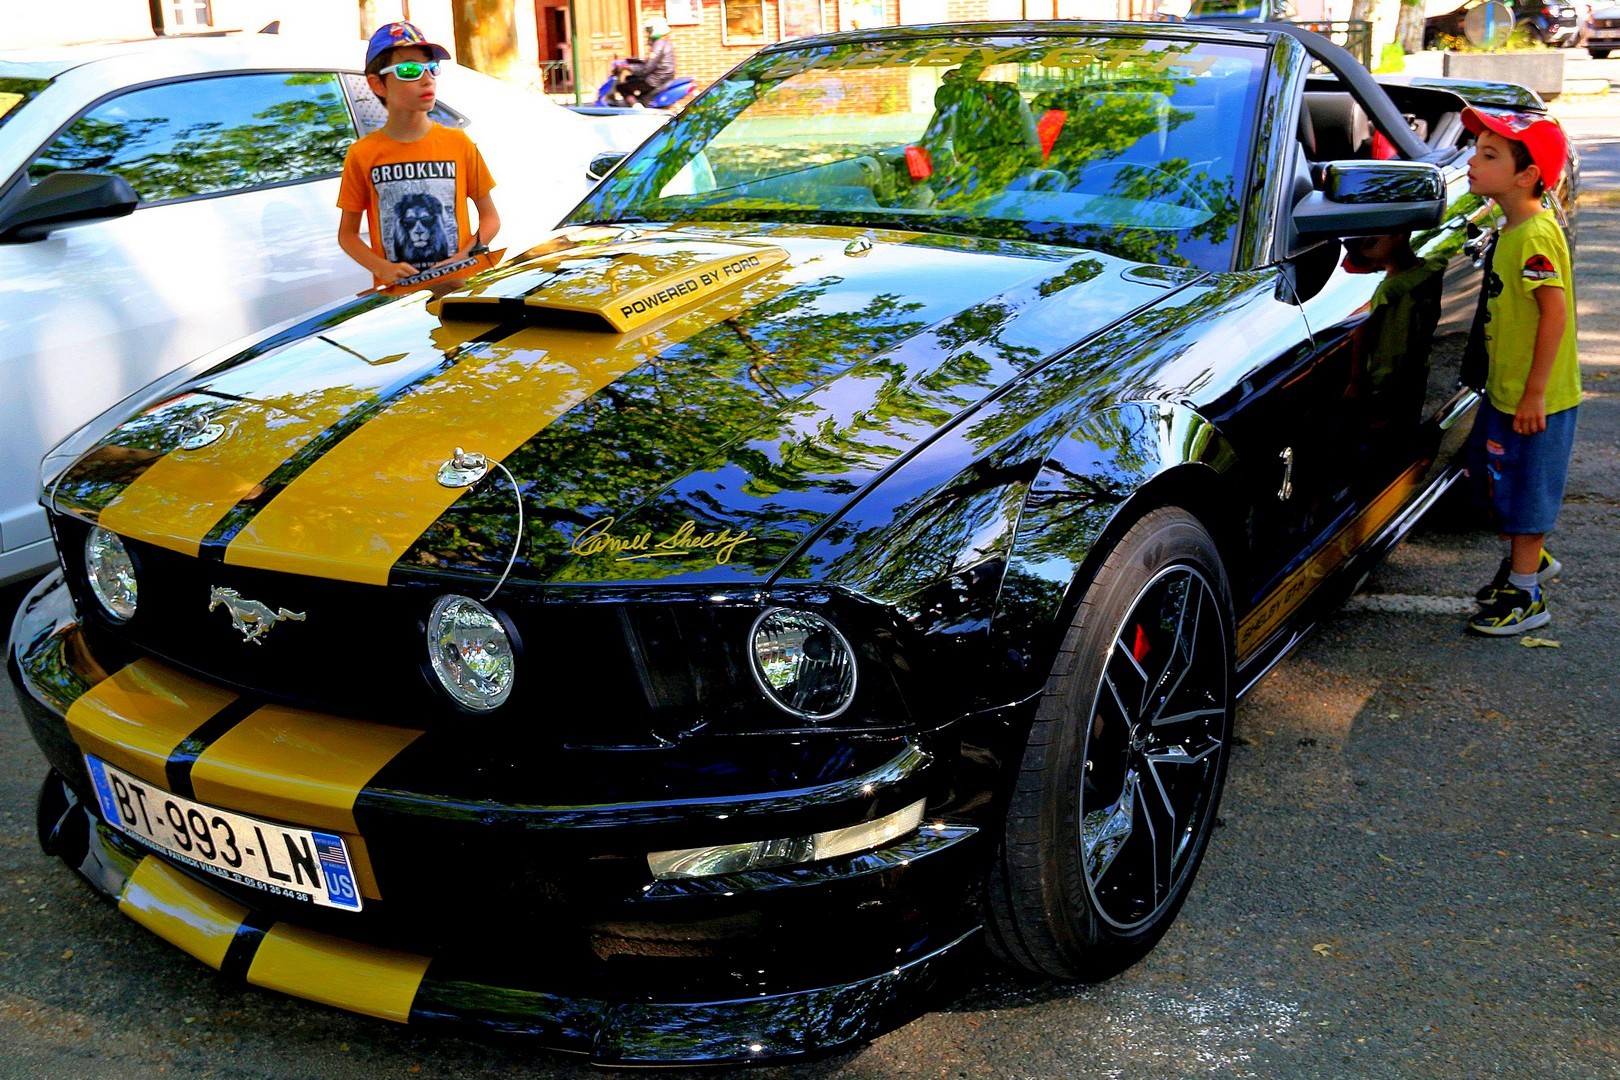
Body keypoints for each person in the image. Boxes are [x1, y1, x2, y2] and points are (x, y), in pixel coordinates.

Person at [1460, 106, 1579, 636]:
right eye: (1476, 151)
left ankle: (1527, 595)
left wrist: (1535, 394)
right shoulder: (1513, 226)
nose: (1473, 162)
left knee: (1528, 497)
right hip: (1507, 390)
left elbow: (1555, 314)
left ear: (1527, 175)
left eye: (1489, 156)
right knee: (1499, 487)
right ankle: (1527, 564)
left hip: (1538, 399)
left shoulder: (1533, 237)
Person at [337, 21, 500, 287]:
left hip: (456, 294)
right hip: (401, 299)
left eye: (431, 68)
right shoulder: (362, 154)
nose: (427, 79)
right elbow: (347, 235)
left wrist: (463, 258)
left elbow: (491, 218)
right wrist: (382, 268)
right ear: (378, 85)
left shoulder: (459, 143)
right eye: (410, 70)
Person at [611, 16, 676, 107]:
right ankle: (638, 104)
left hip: (656, 79)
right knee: (630, 79)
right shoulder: (664, 43)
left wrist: (628, 67)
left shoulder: (658, 44)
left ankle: (637, 107)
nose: (648, 33)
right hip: (663, 76)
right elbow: (653, 62)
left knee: (621, 87)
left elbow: (646, 68)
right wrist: (634, 61)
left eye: (649, 30)